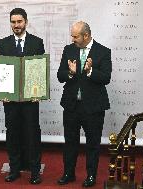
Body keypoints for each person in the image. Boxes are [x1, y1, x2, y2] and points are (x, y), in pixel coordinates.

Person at [57, 21, 112, 187]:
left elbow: (106, 78)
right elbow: (60, 76)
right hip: (72, 106)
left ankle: (91, 176)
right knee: (70, 142)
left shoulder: (103, 51)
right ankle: (68, 173)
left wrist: (90, 71)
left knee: (93, 143)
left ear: (86, 35)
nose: (72, 39)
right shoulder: (69, 49)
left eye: (75, 36)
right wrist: (70, 73)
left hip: (93, 107)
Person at [0, 8, 45, 184]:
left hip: (30, 99)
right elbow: (0, 69)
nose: (16, 25)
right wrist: (2, 93)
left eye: (19, 22)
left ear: (26, 21)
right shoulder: (3, 43)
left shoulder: (37, 42)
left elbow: (40, 69)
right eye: (13, 22)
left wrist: (39, 92)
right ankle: (14, 169)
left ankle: (34, 172)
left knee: (32, 134)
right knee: (12, 134)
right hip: (10, 100)